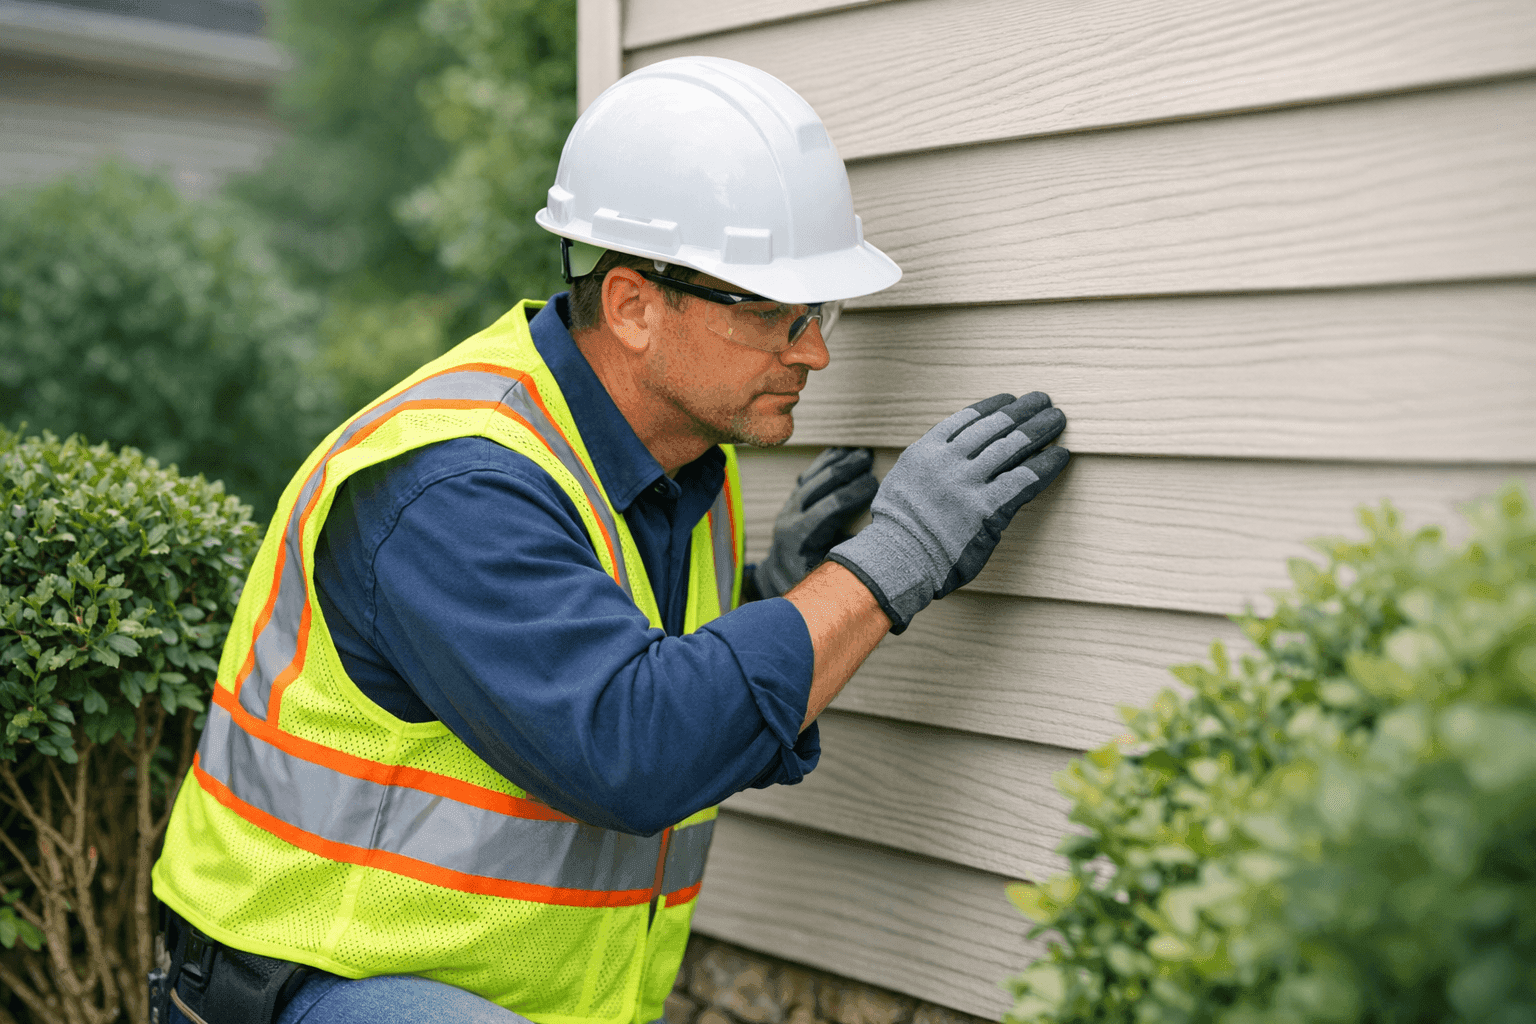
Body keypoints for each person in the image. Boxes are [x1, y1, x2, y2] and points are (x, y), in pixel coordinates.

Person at [149, 56, 1068, 1024]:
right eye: (773, 312)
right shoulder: (457, 487)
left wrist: (778, 600)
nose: (814, 350)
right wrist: (887, 561)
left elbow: (621, 679)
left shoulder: (674, 469)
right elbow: (635, 747)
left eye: (819, 311)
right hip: (314, 983)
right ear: (632, 305)